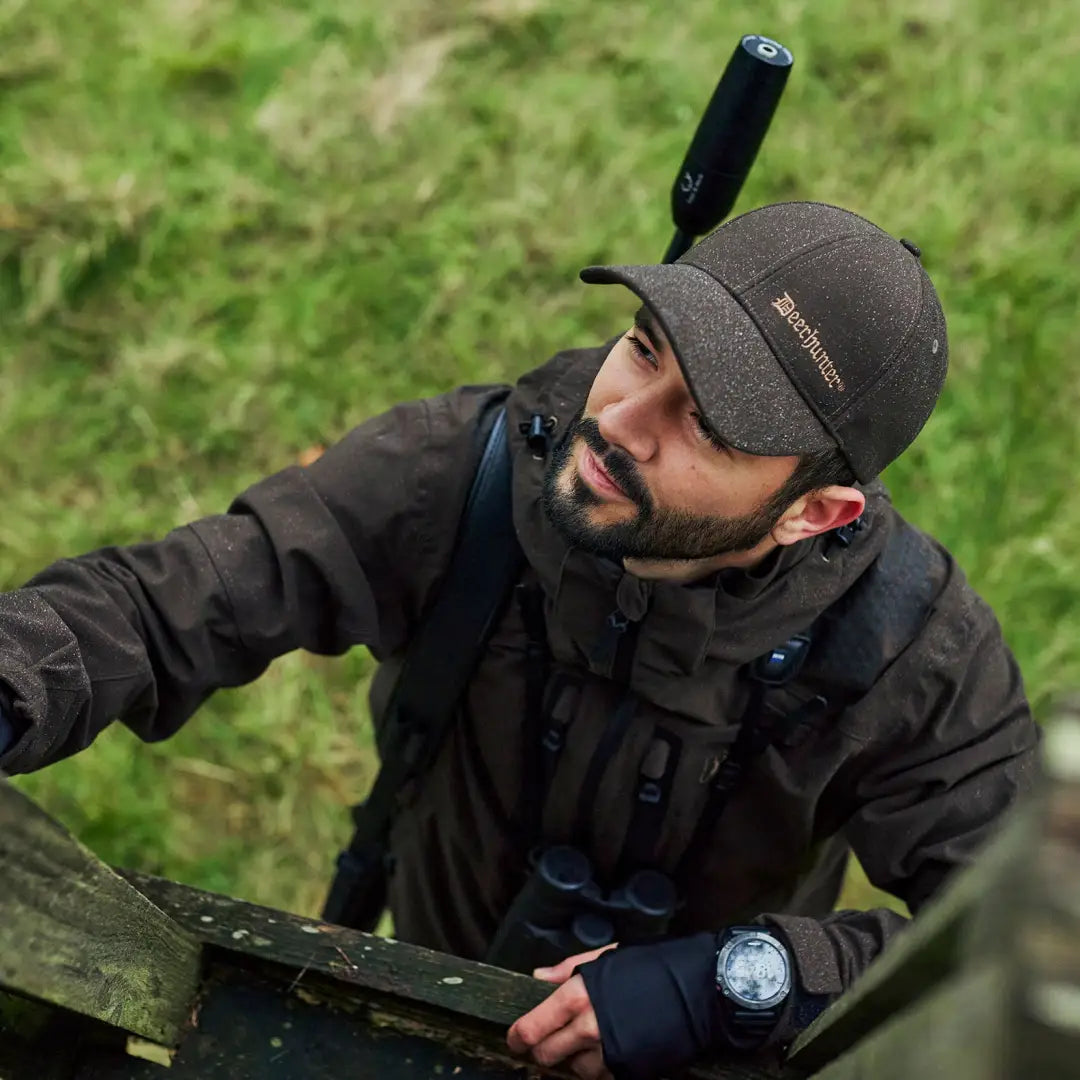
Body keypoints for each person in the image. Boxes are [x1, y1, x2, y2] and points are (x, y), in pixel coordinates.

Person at [0, 202, 1038, 1079]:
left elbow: (1018, 934)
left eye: (708, 427)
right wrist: (17, 678)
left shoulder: (915, 651)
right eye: (643, 348)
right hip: (423, 970)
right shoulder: (469, 473)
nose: (623, 422)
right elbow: (178, 598)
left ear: (816, 513)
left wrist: (738, 983)